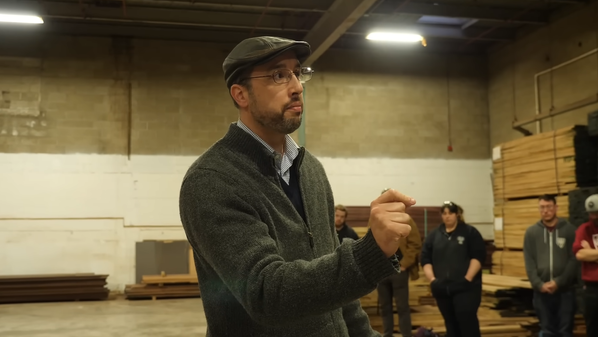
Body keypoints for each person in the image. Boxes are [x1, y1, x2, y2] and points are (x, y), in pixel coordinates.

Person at [178, 36, 415, 337]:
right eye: (278, 75)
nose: (297, 87)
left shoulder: (311, 170)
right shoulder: (212, 180)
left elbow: (341, 300)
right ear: (241, 95)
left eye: (297, 72)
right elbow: (265, 293)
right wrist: (368, 254)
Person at [420, 201, 486, 337]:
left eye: (450, 213)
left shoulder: (470, 233)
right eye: (444, 213)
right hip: (442, 289)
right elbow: (425, 259)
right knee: (450, 324)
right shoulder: (434, 235)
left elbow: (478, 257)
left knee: (467, 322)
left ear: (457, 214)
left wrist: (467, 279)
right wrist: (433, 280)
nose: (447, 216)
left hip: (465, 288)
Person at [523, 194, 577, 337]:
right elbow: (529, 261)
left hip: (565, 291)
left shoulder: (569, 230)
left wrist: (559, 282)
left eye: (549, 207)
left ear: (556, 208)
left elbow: (574, 259)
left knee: (565, 331)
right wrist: (539, 284)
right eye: (542, 207)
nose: (545, 210)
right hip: (541, 292)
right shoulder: (531, 232)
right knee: (547, 331)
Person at [376, 190, 422, 337]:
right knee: (385, 307)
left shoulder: (406, 220)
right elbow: (371, 243)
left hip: (399, 271)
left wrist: (404, 264)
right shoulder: (375, 220)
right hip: (382, 270)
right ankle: (387, 334)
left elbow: (415, 244)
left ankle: (406, 335)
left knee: (402, 307)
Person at [573, 194, 598, 337]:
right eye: (591, 213)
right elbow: (580, 255)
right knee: (593, 328)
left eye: (597, 213)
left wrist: (592, 253)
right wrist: (587, 253)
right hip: (592, 289)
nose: (594, 216)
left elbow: (586, 253)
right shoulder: (584, 229)